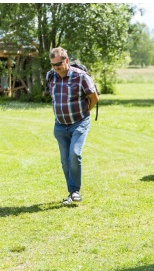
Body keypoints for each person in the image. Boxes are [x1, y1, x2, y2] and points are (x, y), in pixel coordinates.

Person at [45, 47, 99, 205]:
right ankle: (73, 192)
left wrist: (84, 112)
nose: (56, 68)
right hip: (60, 125)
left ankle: (75, 190)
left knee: (74, 154)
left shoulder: (80, 76)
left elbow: (94, 97)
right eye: (53, 65)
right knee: (65, 160)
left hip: (79, 123)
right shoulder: (51, 76)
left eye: (59, 64)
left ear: (66, 61)